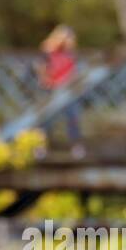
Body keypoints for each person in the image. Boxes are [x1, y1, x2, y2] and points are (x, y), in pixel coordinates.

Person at [39, 25, 83, 156]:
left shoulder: (70, 54)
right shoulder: (48, 52)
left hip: (67, 90)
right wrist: (49, 82)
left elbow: (73, 72)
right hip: (51, 89)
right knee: (47, 119)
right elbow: (42, 70)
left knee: (73, 117)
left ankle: (77, 147)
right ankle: (41, 147)